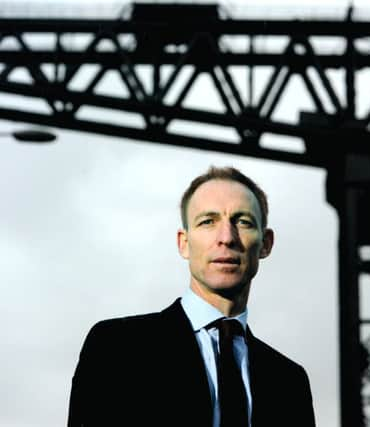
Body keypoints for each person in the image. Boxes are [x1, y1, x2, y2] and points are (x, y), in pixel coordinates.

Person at [67, 166, 316, 427]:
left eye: (243, 222)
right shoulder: (117, 346)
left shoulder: (289, 380)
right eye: (208, 221)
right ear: (183, 243)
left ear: (265, 243)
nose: (226, 238)